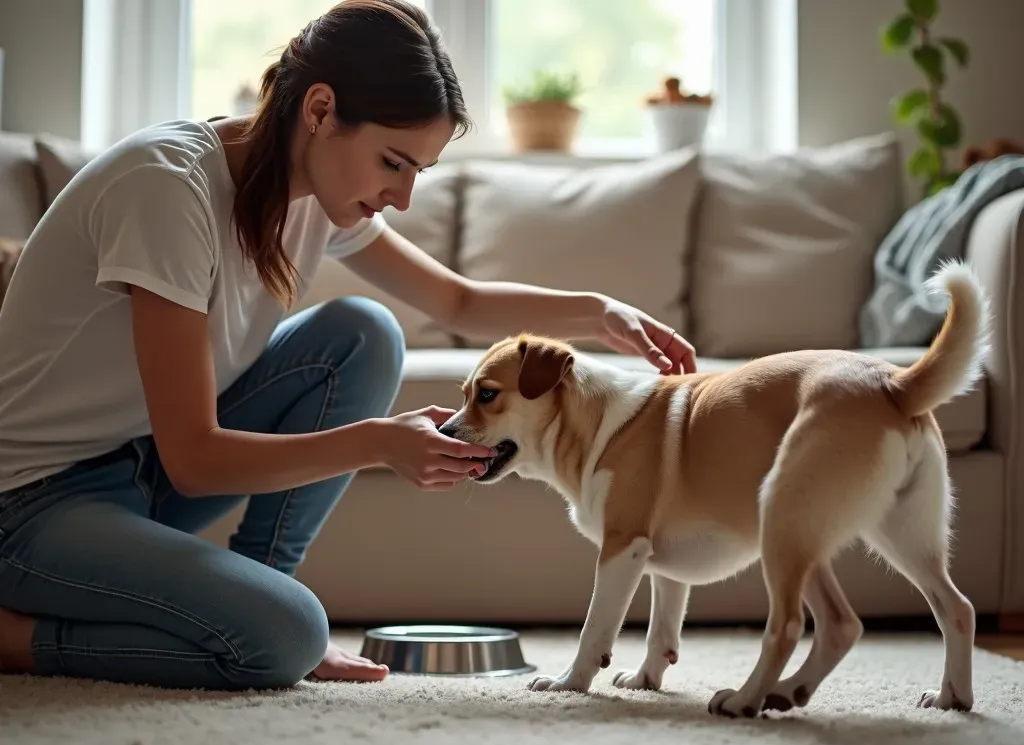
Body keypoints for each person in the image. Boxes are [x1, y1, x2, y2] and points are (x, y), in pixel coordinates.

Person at [0, 0, 696, 691]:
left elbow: (457, 301)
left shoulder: (308, 192)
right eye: (393, 162)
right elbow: (194, 459)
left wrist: (600, 312)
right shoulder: (166, 190)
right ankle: (22, 637)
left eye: (417, 170)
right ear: (320, 109)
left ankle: (258, 596)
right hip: (30, 503)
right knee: (288, 637)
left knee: (363, 333)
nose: (402, 196)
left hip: (135, 469)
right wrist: (378, 442)